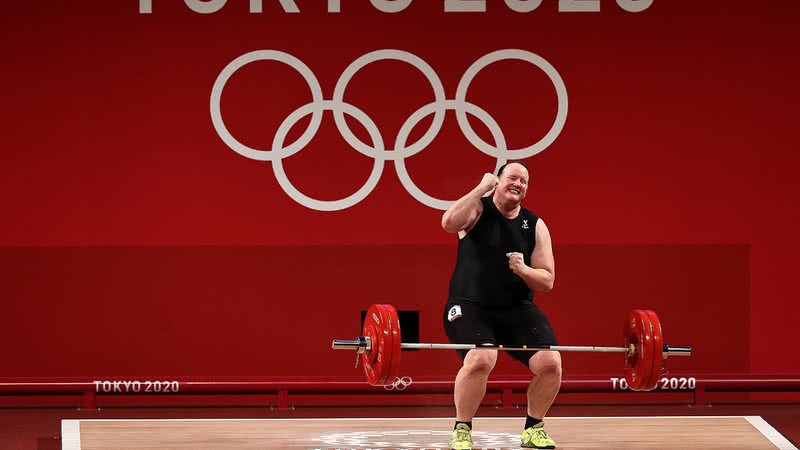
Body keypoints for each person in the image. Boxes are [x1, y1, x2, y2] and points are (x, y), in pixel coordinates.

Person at [440, 161, 561, 450]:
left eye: (524, 181)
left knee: (551, 363)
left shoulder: (535, 225)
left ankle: (534, 428)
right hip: (469, 305)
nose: (518, 184)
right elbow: (447, 223)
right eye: (512, 178)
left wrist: (523, 271)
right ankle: (462, 429)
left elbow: (546, 281)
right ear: (497, 180)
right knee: (482, 358)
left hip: (515, 308)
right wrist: (481, 188)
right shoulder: (477, 209)